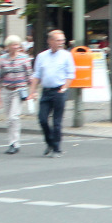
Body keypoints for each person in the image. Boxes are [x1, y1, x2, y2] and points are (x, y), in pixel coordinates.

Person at [30, 29, 74, 157]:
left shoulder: (66, 55)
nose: (61, 43)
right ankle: (49, 141)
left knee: (57, 121)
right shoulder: (42, 56)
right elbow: (37, 75)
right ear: (50, 41)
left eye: (62, 40)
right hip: (46, 91)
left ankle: (57, 148)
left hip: (59, 90)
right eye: (58, 40)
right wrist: (32, 92)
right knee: (42, 118)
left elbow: (70, 74)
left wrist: (65, 87)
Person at [0, 34, 32, 154]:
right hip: (6, 90)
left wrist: (32, 91)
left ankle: (14, 143)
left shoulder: (24, 58)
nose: (16, 47)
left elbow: (29, 75)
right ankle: (12, 142)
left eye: (17, 45)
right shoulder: (2, 59)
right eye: (13, 45)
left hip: (19, 90)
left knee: (13, 117)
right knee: (9, 119)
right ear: (8, 46)